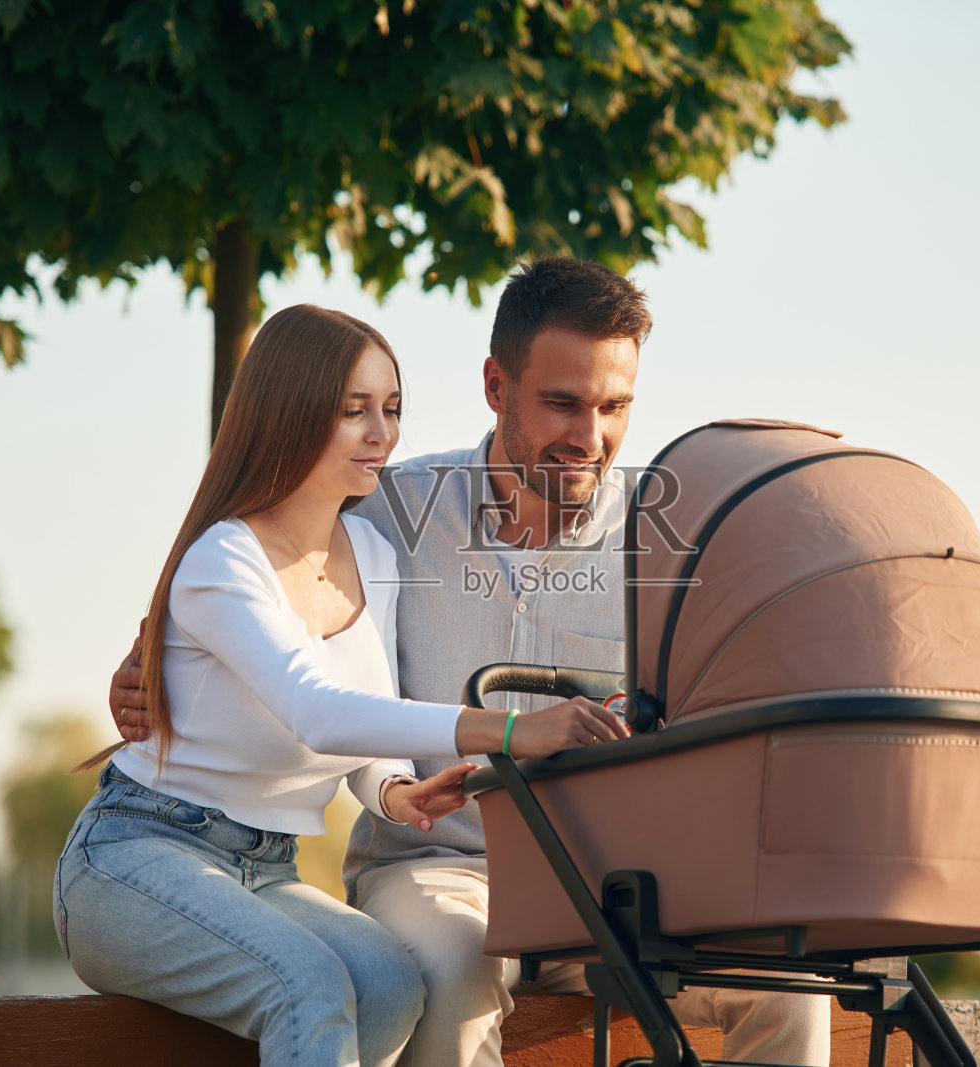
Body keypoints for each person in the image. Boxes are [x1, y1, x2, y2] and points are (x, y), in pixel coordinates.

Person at [110, 261, 832, 1066]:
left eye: (614, 406)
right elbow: (247, 572)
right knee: (451, 965)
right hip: (435, 867)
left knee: (787, 983)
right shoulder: (379, 508)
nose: (589, 438)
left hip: (620, 883)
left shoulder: (665, 546)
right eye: (562, 402)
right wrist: (143, 663)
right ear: (496, 384)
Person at [57, 303, 627, 1067]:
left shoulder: (371, 545)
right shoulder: (224, 558)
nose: (382, 434)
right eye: (354, 410)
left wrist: (396, 793)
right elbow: (316, 710)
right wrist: (513, 732)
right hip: (140, 849)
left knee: (392, 983)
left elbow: (367, 726)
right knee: (310, 986)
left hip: (267, 867)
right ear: (288, 413)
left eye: (391, 409)